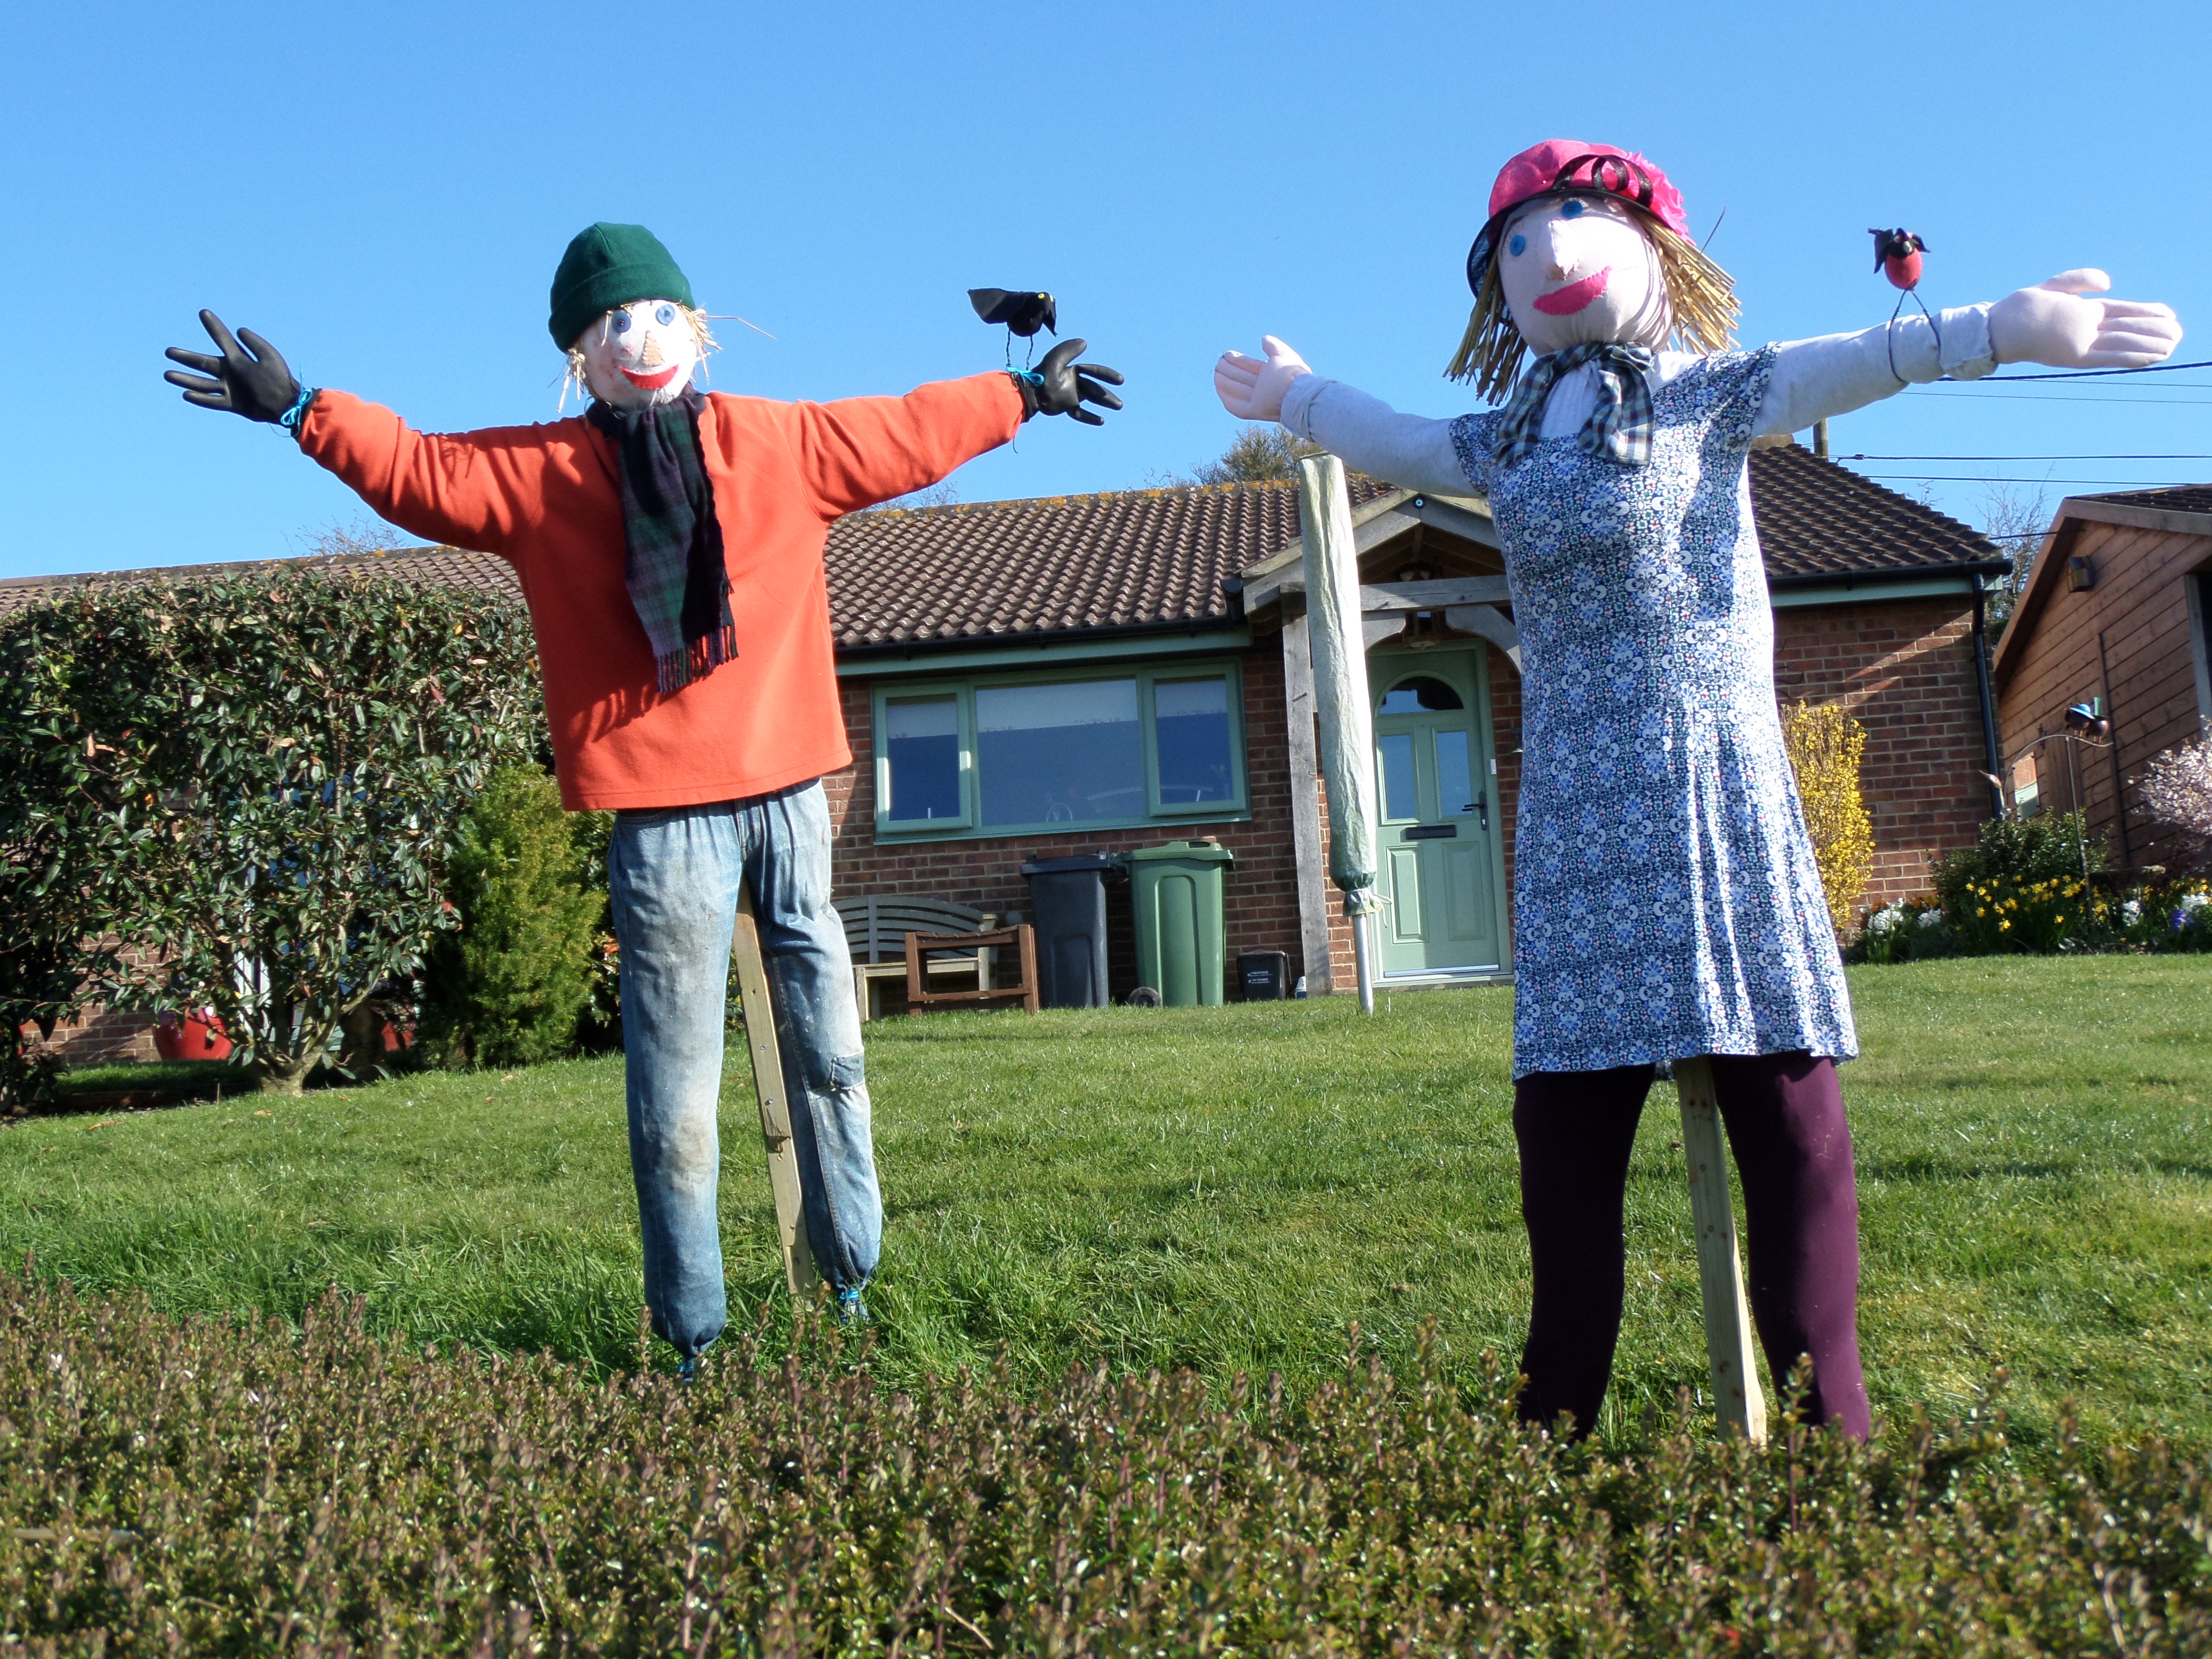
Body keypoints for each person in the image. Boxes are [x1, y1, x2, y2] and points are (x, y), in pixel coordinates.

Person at [1215, 141, 2180, 1437]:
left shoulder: (1713, 396)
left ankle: (1830, 1427)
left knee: (1788, 1121)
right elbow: (1393, 433)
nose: (1549, 254)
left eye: (1580, 220)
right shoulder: (1504, 440)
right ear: (1491, 287)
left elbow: (1859, 359)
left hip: (1716, 789)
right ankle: (1552, 1422)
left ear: (1658, 247)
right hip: (1577, 818)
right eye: (1519, 240)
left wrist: (2000, 327)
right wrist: (1299, 395)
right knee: (1564, 1146)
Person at [164, 223, 1123, 1363]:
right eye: (612, 325)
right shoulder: (547, 475)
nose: (640, 339)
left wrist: (1025, 393)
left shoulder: (780, 443)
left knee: (832, 1052)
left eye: (659, 316)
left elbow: (908, 429)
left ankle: (851, 1275)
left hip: (789, 796)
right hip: (663, 820)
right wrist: (302, 408)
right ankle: (694, 1335)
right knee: (673, 1093)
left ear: (699, 329)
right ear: (582, 355)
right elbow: (421, 472)